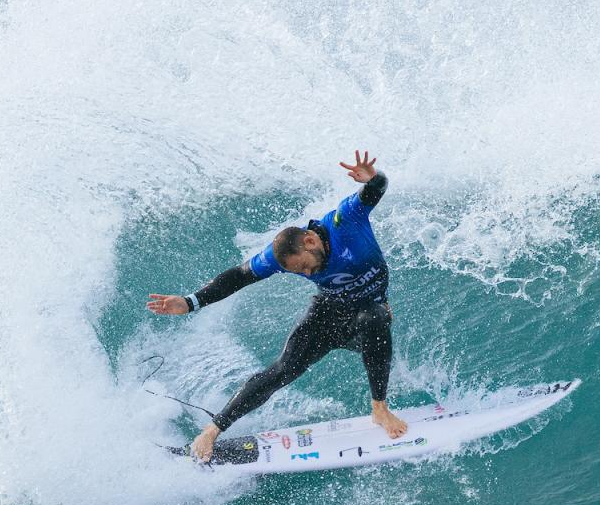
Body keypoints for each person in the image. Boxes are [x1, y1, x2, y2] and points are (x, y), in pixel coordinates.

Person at [148, 151, 407, 462]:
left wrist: (373, 178)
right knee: (283, 368)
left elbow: (376, 189)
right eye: (299, 272)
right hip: (328, 314)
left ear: (311, 241)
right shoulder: (281, 257)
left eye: (305, 268)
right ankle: (213, 430)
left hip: (366, 321)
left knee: (375, 316)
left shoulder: (345, 220)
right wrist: (190, 302)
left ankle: (379, 408)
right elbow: (238, 277)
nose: (308, 274)